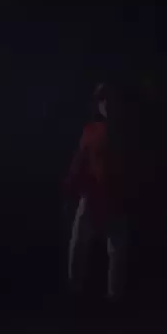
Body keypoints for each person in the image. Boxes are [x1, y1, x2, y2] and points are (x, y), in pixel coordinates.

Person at [64, 82, 128, 304]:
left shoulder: (124, 133)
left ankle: (115, 297)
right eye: (103, 100)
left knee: (118, 249)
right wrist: (71, 187)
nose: (106, 104)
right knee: (78, 244)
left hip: (116, 196)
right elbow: (79, 160)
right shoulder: (91, 131)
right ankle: (74, 291)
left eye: (110, 99)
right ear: (98, 104)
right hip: (92, 195)